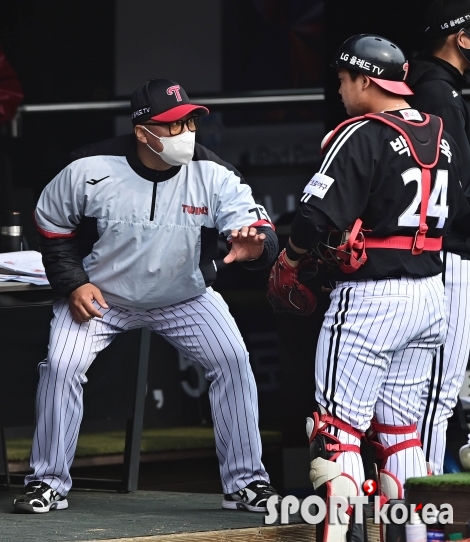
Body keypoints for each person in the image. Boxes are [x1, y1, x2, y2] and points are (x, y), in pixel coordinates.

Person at [12, 78, 280, 514]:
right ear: (143, 132)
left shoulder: (213, 173)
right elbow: (50, 226)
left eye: (190, 121)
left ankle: (246, 482)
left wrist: (256, 248)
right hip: (102, 299)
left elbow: (259, 231)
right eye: (173, 126)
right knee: (61, 366)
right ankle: (47, 483)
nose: (186, 133)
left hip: (184, 298)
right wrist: (73, 282)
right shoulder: (89, 167)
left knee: (232, 360)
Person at [267, 34, 470, 542]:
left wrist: (290, 260)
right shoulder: (438, 132)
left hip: (371, 298)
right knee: (403, 437)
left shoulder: (362, 131)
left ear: (365, 79)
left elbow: (314, 219)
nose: (339, 89)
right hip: (429, 293)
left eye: (342, 79)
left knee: (336, 436)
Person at [406, 0, 470, 476]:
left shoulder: (443, 87)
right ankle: (419, 496)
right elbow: (454, 184)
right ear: (461, 38)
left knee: (441, 385)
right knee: (437, 387)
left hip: (447, 252)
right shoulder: (436, 91)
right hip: (449, 252)